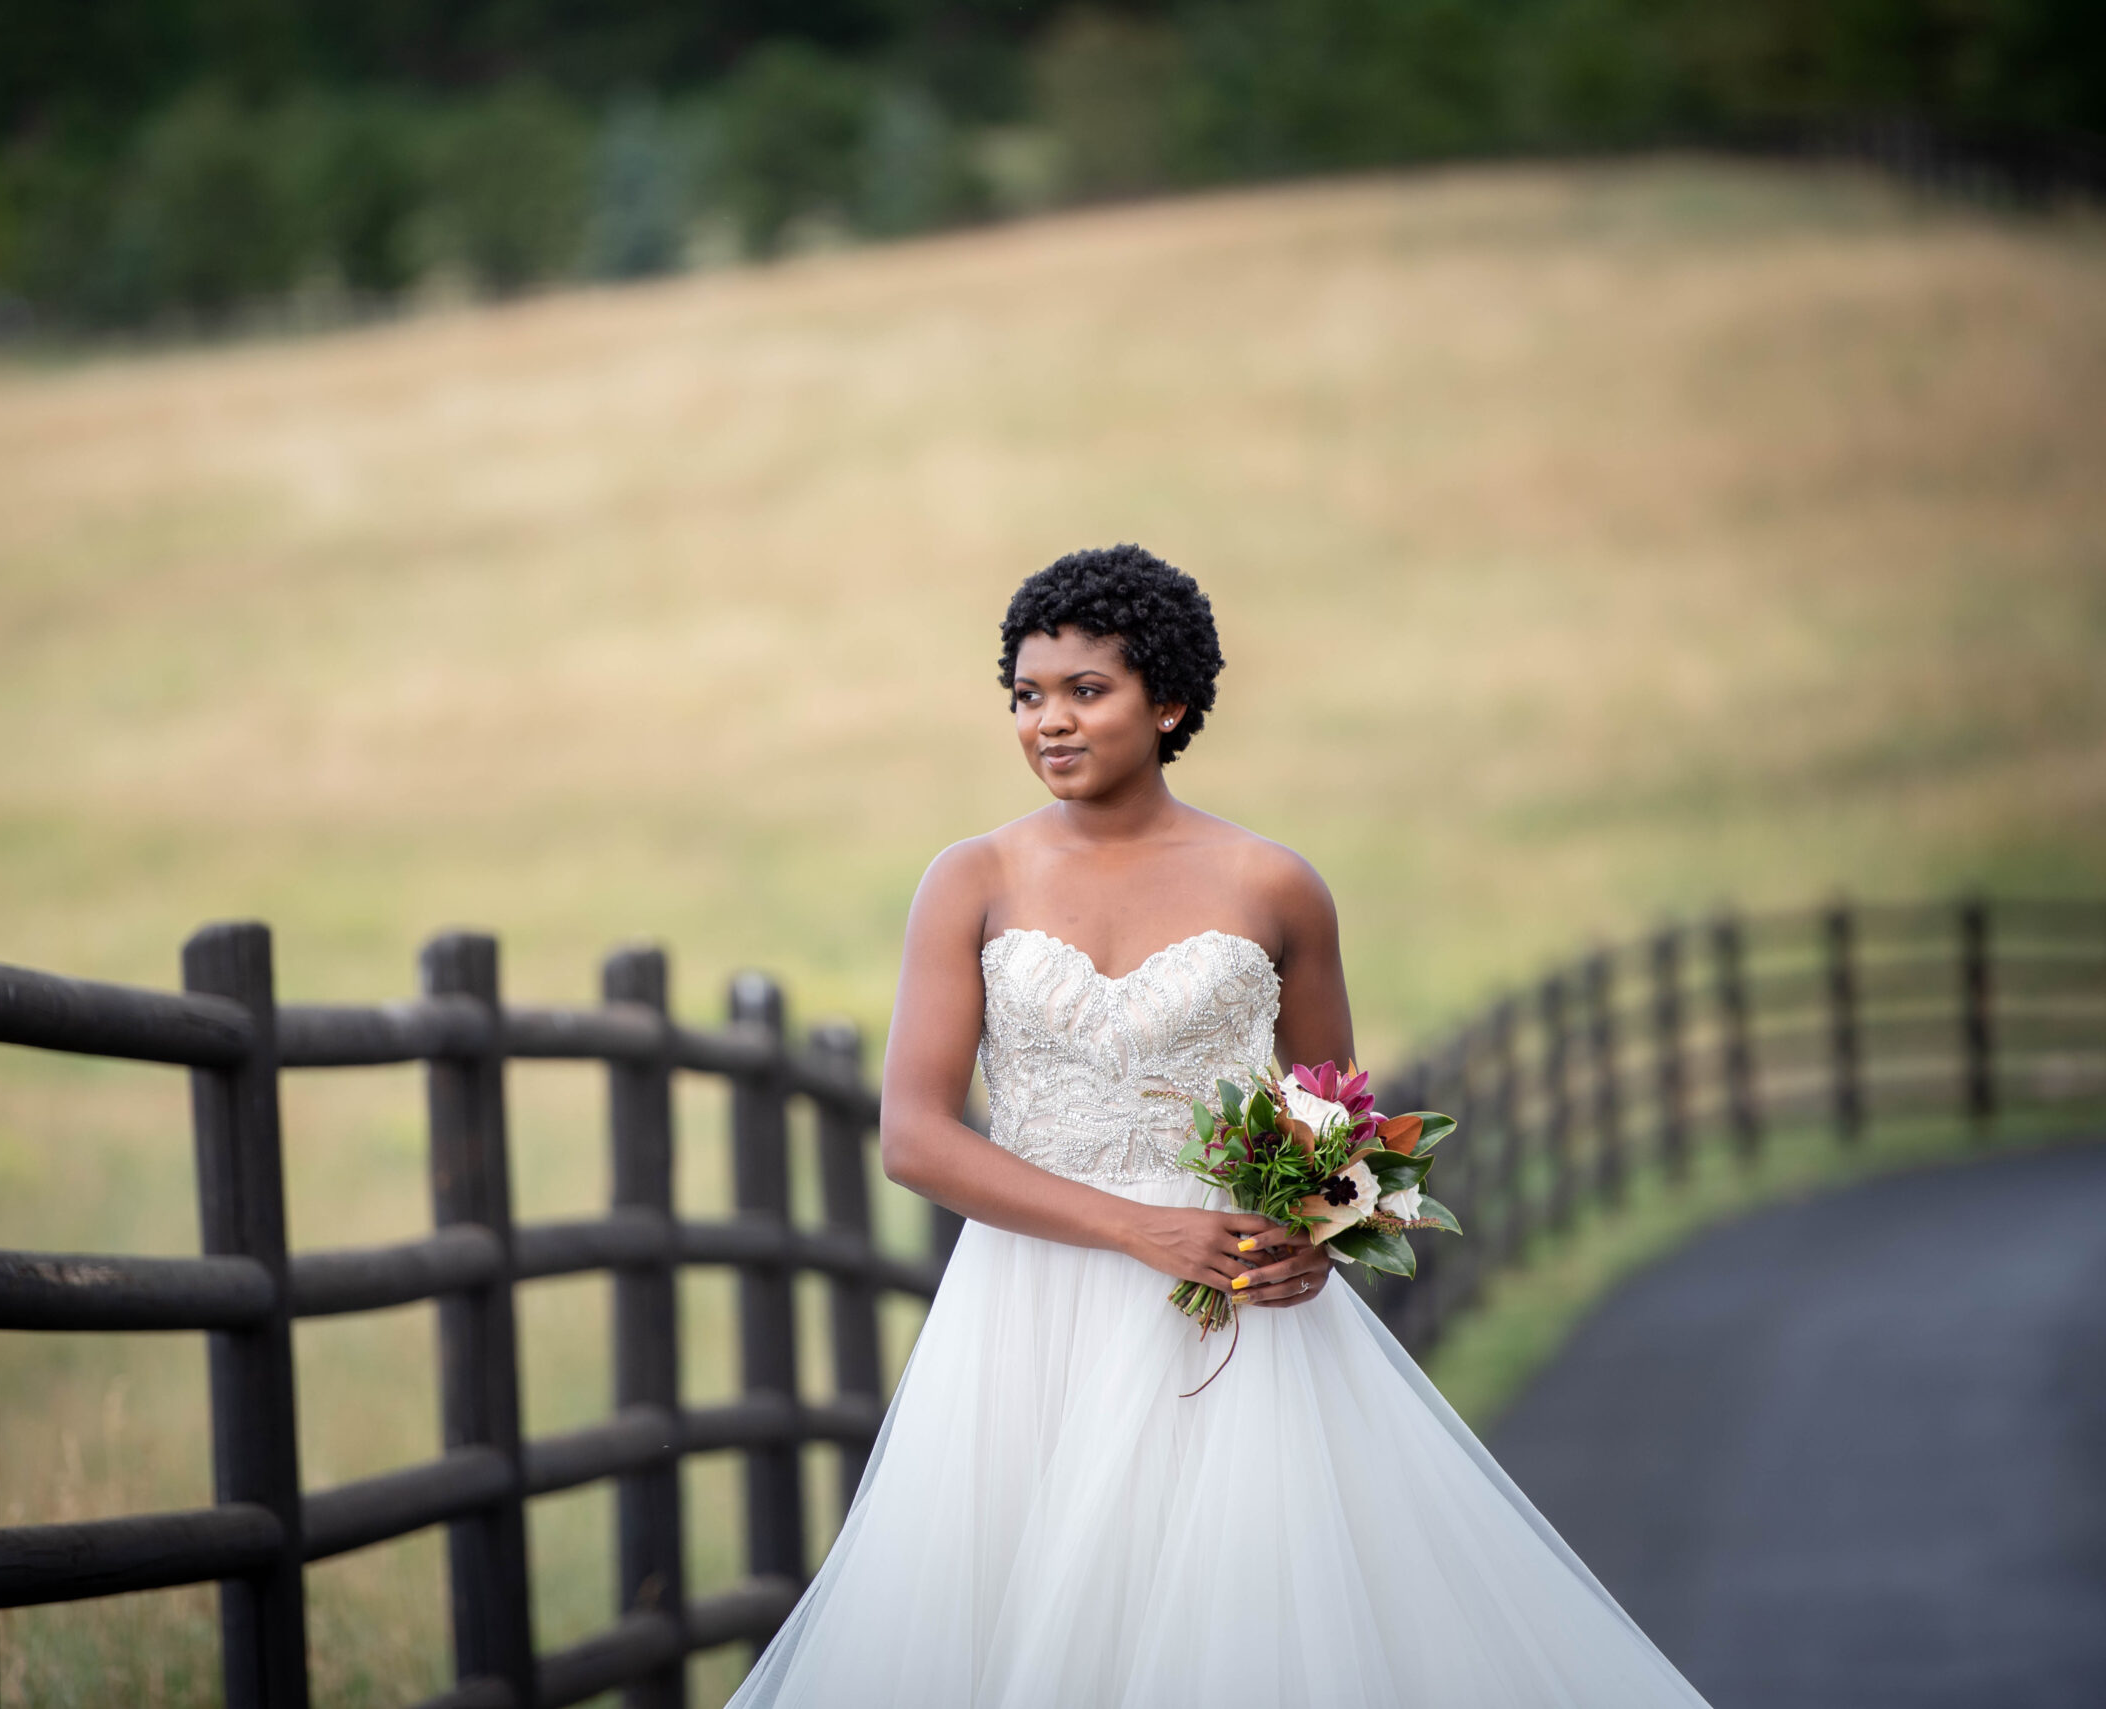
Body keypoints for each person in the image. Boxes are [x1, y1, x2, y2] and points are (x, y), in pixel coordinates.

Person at [727, 546, 1709, 1707]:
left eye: (1085, 690)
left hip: (1233, 1317)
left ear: (1170, 701)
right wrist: (1141, 1229)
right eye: (1026, 694)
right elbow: (916, 1138)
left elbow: (1335, 1114)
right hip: (1023, 1319)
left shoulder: (1271, 884)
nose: (1048, 720)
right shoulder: (971, 878)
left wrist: (1314, 1229)